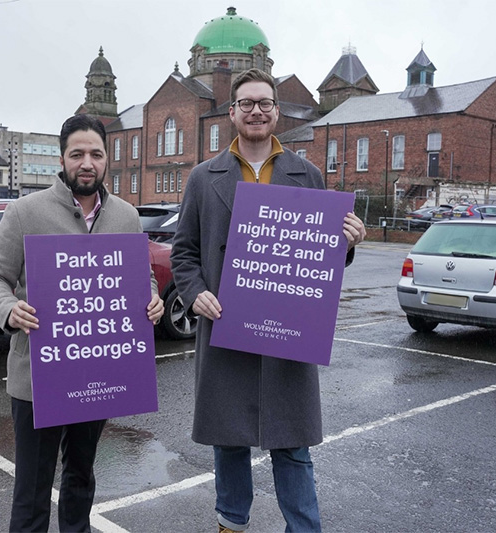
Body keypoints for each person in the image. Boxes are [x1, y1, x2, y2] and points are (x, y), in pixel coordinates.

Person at [171, 69, 366, 533]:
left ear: (276, 112)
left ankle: (304, 529)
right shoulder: (202, 177)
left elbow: (321, 258)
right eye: (246, 103)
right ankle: (231, 526)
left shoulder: (307, 174)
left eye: (264, 103)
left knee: (293, 447)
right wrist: (195, 294)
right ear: (232, 112)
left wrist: (347, 243)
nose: (255, 111)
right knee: (229, 443)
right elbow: (183, 253)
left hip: (287, 333)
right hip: (226, 327)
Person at [0, 114, 163, 532]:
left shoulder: (126, 216)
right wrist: (8, 309)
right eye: (77, 154)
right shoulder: (25, 212)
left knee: (81, 477)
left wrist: (151, 299)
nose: (87, 163)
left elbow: (142, 276)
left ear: (106, 160)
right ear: (62, 160)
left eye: (96, 154)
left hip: (98, 373)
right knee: (32, 489)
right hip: (37, 376)